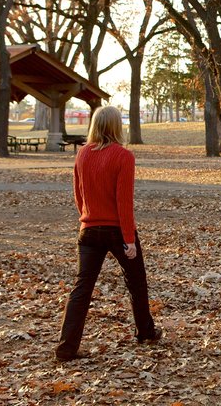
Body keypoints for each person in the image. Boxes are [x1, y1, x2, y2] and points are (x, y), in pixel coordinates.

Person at [55, 106, 161, 362]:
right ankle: (145, 332)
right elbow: (124, 201)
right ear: (116, 126)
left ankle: (66, 348)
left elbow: (78, 195)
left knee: (82, 288)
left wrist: (86, 217)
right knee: (136, 282)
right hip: (116, 230)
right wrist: (128, 239)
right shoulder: (123, 156)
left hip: (89, 229)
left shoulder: (82, 154)